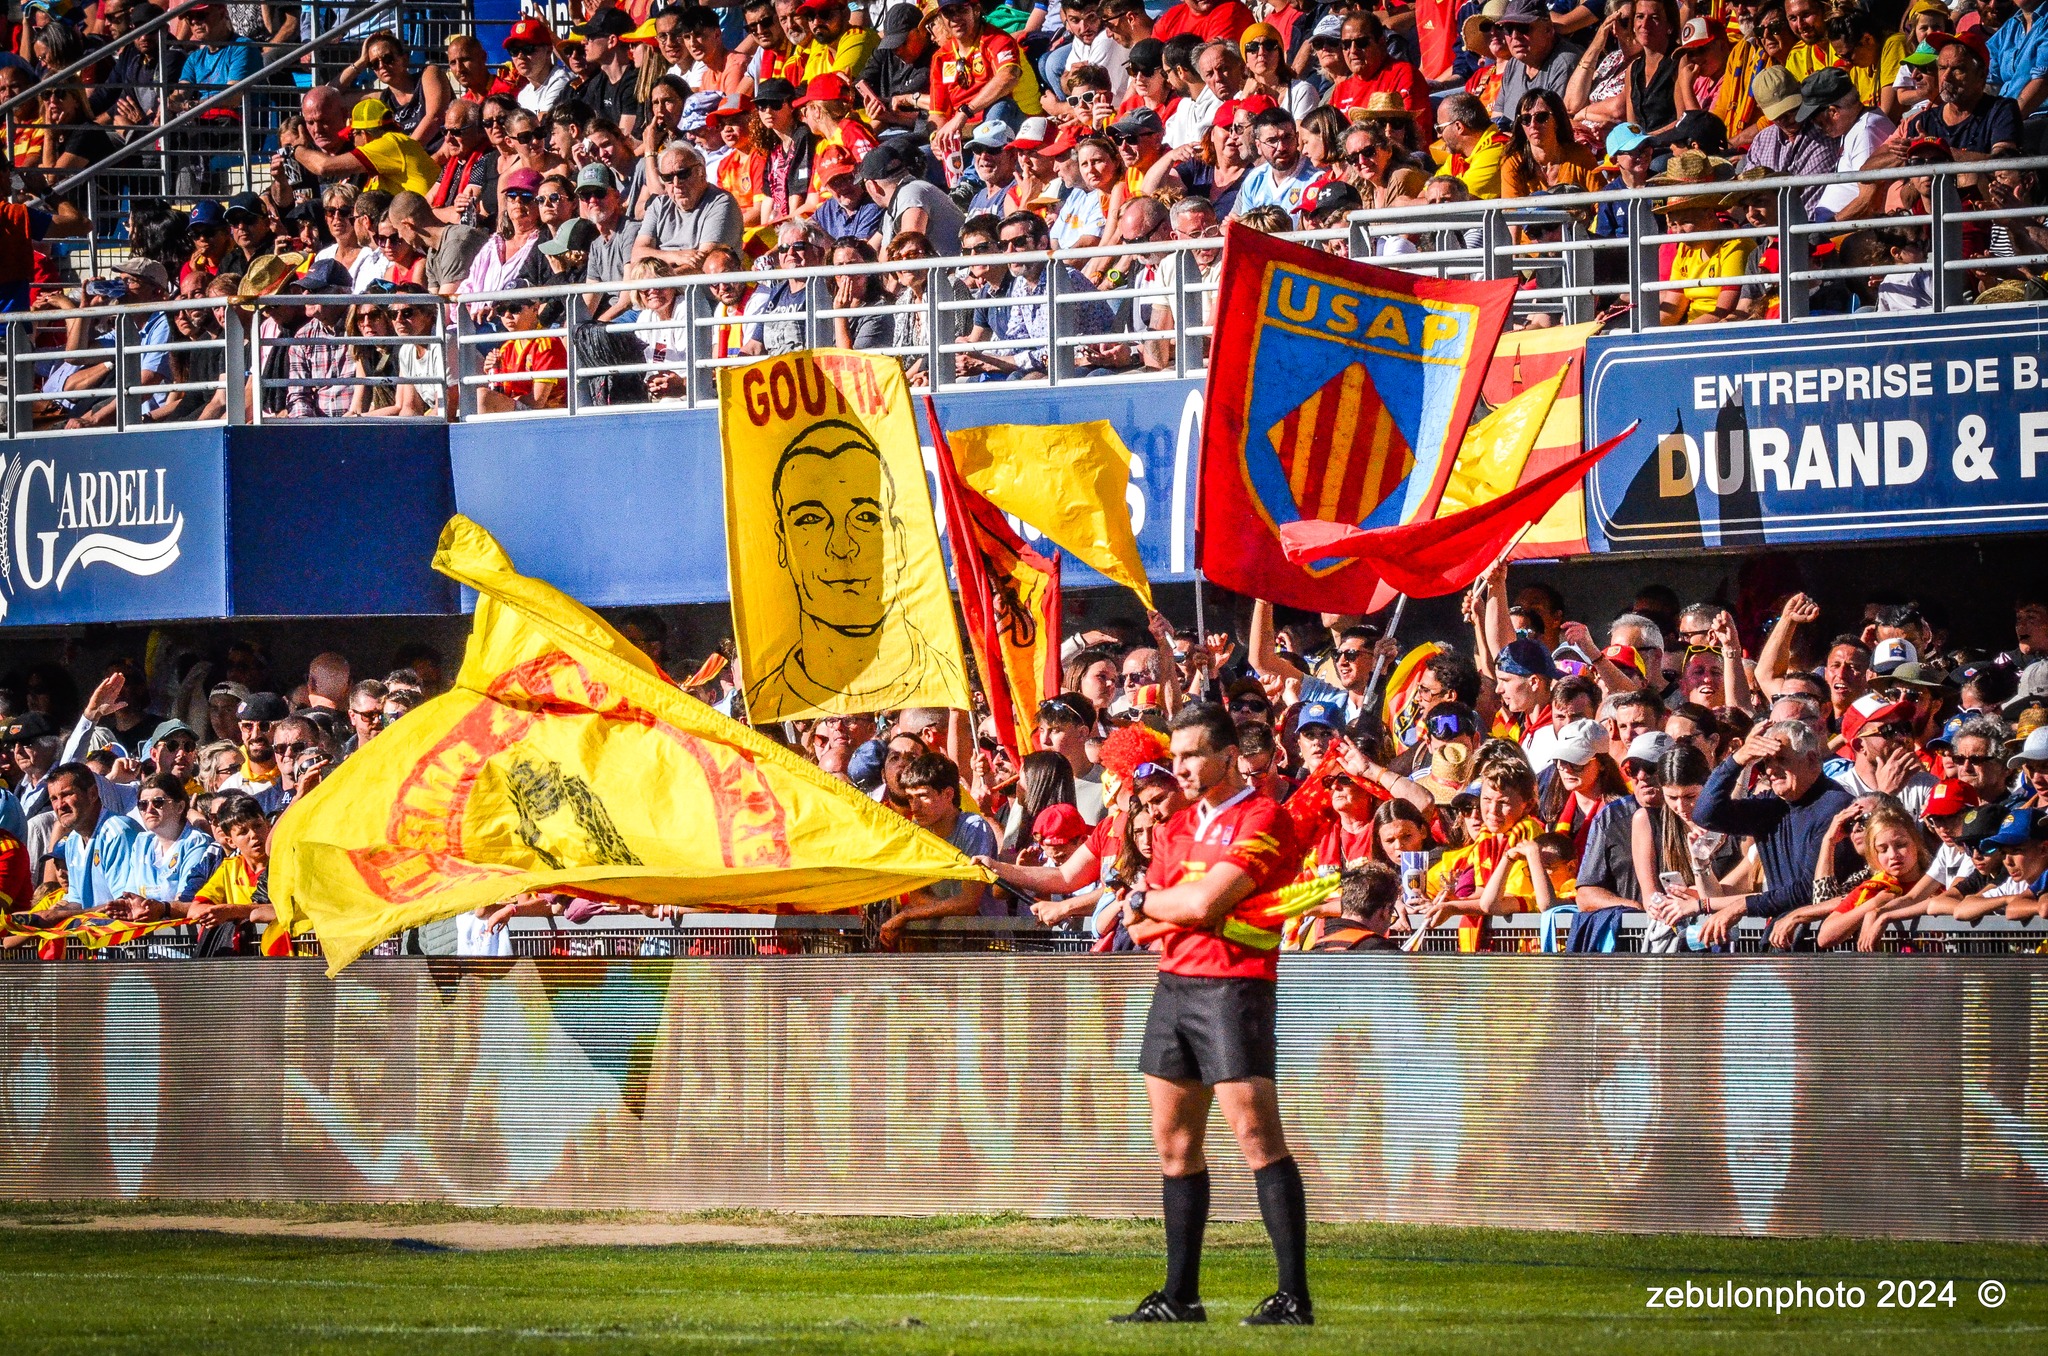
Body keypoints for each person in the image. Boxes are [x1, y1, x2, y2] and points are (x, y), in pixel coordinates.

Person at [1112, 704, 1311, 1326]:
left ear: (1230, 756)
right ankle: (1180, 1296)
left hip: (1234, 988)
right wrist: (1166, 907)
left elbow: (1197, 901)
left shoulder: (1263, 815)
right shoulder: (1174, 826)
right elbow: (1146, 928)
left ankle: (1293, 1296)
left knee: (1257, 1139)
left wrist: (1152, 900)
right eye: (1176, 757)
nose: (1182, 769)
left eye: (1193, 755)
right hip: (1173, 986)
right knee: (1175, 1147)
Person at [876, 753, 997, 946]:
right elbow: (916, 895)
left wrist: (908, 915)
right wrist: (946, 907)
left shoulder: (973, 827)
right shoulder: (918, 828)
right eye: (910, 797)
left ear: (948, 794)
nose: (915, 806)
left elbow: (968, 902)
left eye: (923, 796)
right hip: (944, 942)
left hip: (986, 943)